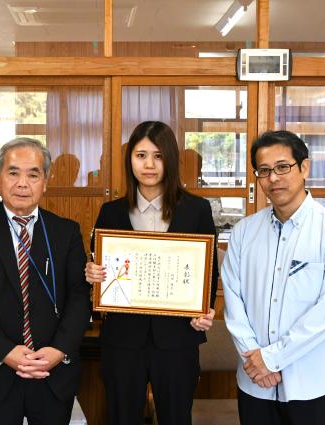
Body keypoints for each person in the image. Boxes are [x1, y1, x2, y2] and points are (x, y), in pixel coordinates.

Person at [85, 121, 219, 425]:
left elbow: (208, 272)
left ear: (171, 160)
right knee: (122, 418)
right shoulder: (111, 212)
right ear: (130, 160)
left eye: (158, 156)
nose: (149, 165)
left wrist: (204, 309)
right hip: (123, 340)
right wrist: (92, 273)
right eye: (141, 155)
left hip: (178, 339)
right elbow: (100, 268)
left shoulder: (196, 210)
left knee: (176, 418)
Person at [0, 137, 91, 425]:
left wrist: (58, 350)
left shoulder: (65, 232)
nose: (22, 184)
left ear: (45, 182)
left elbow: (79, 296)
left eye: (33, 174)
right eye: (13, 173)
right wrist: (6, 352)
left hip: (52, 373)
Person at [222, 130, 325, 425]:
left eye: (282, 167)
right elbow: (233, 301)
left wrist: (271, 359)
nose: (273, 178)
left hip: (312, 384)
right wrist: (255, 359)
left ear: (304, 167)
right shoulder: (244, 232)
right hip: (255, 384)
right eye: (264, 170)